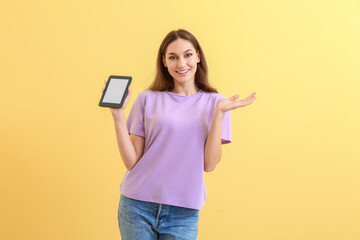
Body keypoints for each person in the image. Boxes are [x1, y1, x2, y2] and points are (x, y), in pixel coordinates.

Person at [103, 29, 256, 240]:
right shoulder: (147, 99)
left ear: (199, 56)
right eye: (172, 57)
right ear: (164, 61)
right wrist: (118, 116)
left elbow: (209, 164)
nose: (181, 64)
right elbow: (131, 162)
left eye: (188, 55)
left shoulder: (217, 104)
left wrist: (219, 114)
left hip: (183, 213)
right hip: (137, 205)